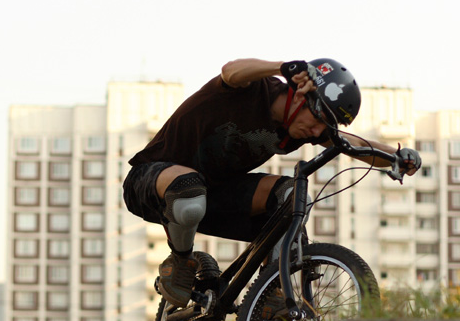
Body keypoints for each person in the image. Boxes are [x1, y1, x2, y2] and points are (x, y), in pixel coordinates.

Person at [123, 58, 421, 308]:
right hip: (152, 182)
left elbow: (355, 145)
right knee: (189, 188)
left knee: (291, 197)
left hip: (216, 197)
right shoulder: (256, 89)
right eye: (318, 120)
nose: (316, 132)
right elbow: (230, 71)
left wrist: (396, 156)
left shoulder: (301, 128)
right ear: (301, 95)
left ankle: (270, 296)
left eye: (324, 128)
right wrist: (282, 67)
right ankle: (180, 262)